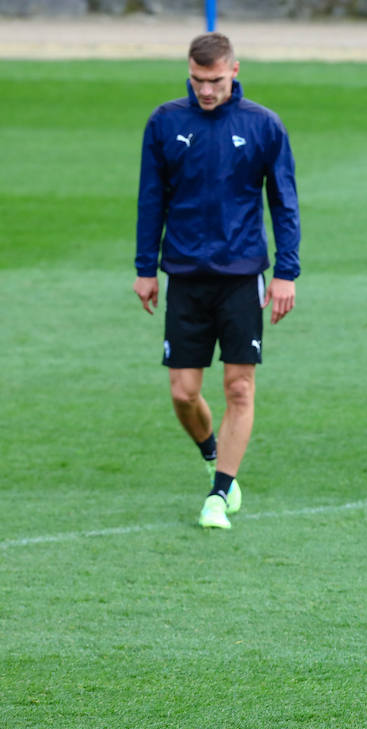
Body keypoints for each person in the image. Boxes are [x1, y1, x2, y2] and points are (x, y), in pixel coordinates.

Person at [135, 32, 300, 530]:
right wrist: (145, 267)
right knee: (184, 392)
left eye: (215, 80)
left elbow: (284, 202)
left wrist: (286, 272)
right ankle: (213, 453)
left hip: (241, 275)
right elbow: (150, 198)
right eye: (197, 80)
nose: (206, 90)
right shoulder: (165, 122)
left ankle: (220, 490)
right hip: (184, 275)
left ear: (234, 70)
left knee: (239, 387)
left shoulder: (263, 125)